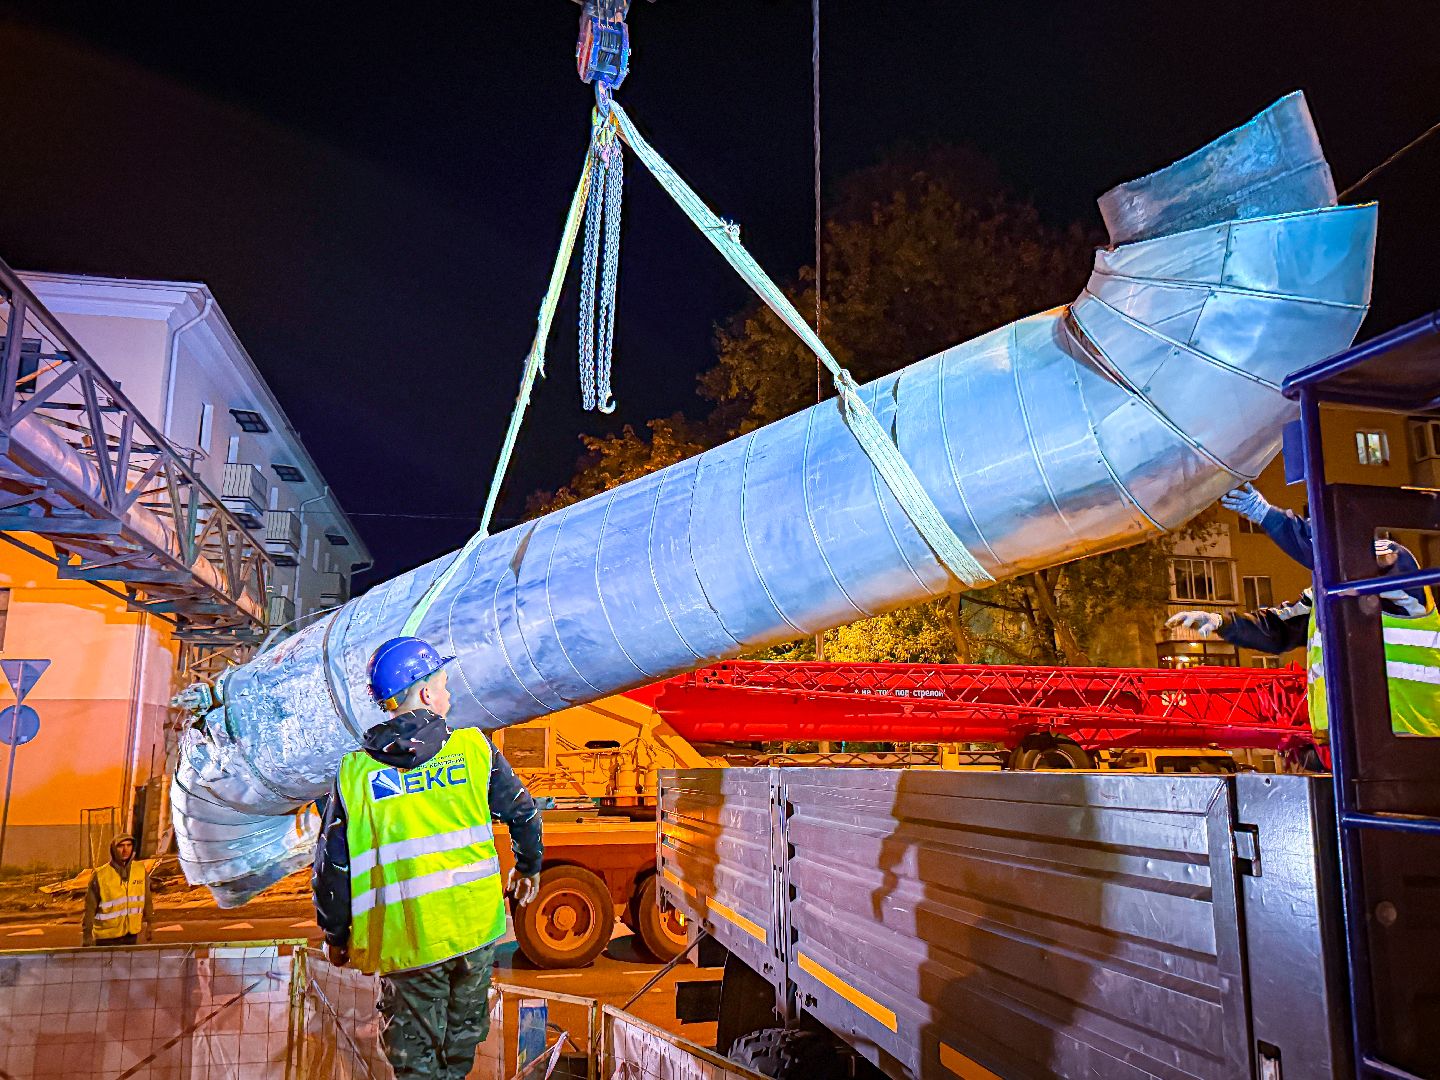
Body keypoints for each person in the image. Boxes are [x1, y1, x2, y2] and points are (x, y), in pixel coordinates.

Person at [313, 636, 544, 1080]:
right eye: (443, 684)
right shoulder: (475, 751)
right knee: (459, 1055)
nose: (449, 694)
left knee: (416, 1065)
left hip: (408, 943)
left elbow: (333, 869)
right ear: (424, 694)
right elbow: (524, 813)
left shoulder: (356, 775)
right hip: (473, 936)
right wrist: (528, 866)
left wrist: (336, 936)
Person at [1169, 484, 1440, 748]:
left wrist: (1267, 516)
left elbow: (1348, 556)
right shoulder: (1326, 597)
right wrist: (1223, 623)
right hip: (1345, 742)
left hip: (1412, 740)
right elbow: (1276, 629)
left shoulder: (1396, 565)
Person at [81, 833, 153, 947]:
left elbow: (147, 899)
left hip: (131, 934)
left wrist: (150, 923)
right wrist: (87, 936)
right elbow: (89, 908)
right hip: (106, 937)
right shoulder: (100, 874)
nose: (125, 850)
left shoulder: (139, 870)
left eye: (129, 845)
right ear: (114, 849)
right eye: (121, 846)